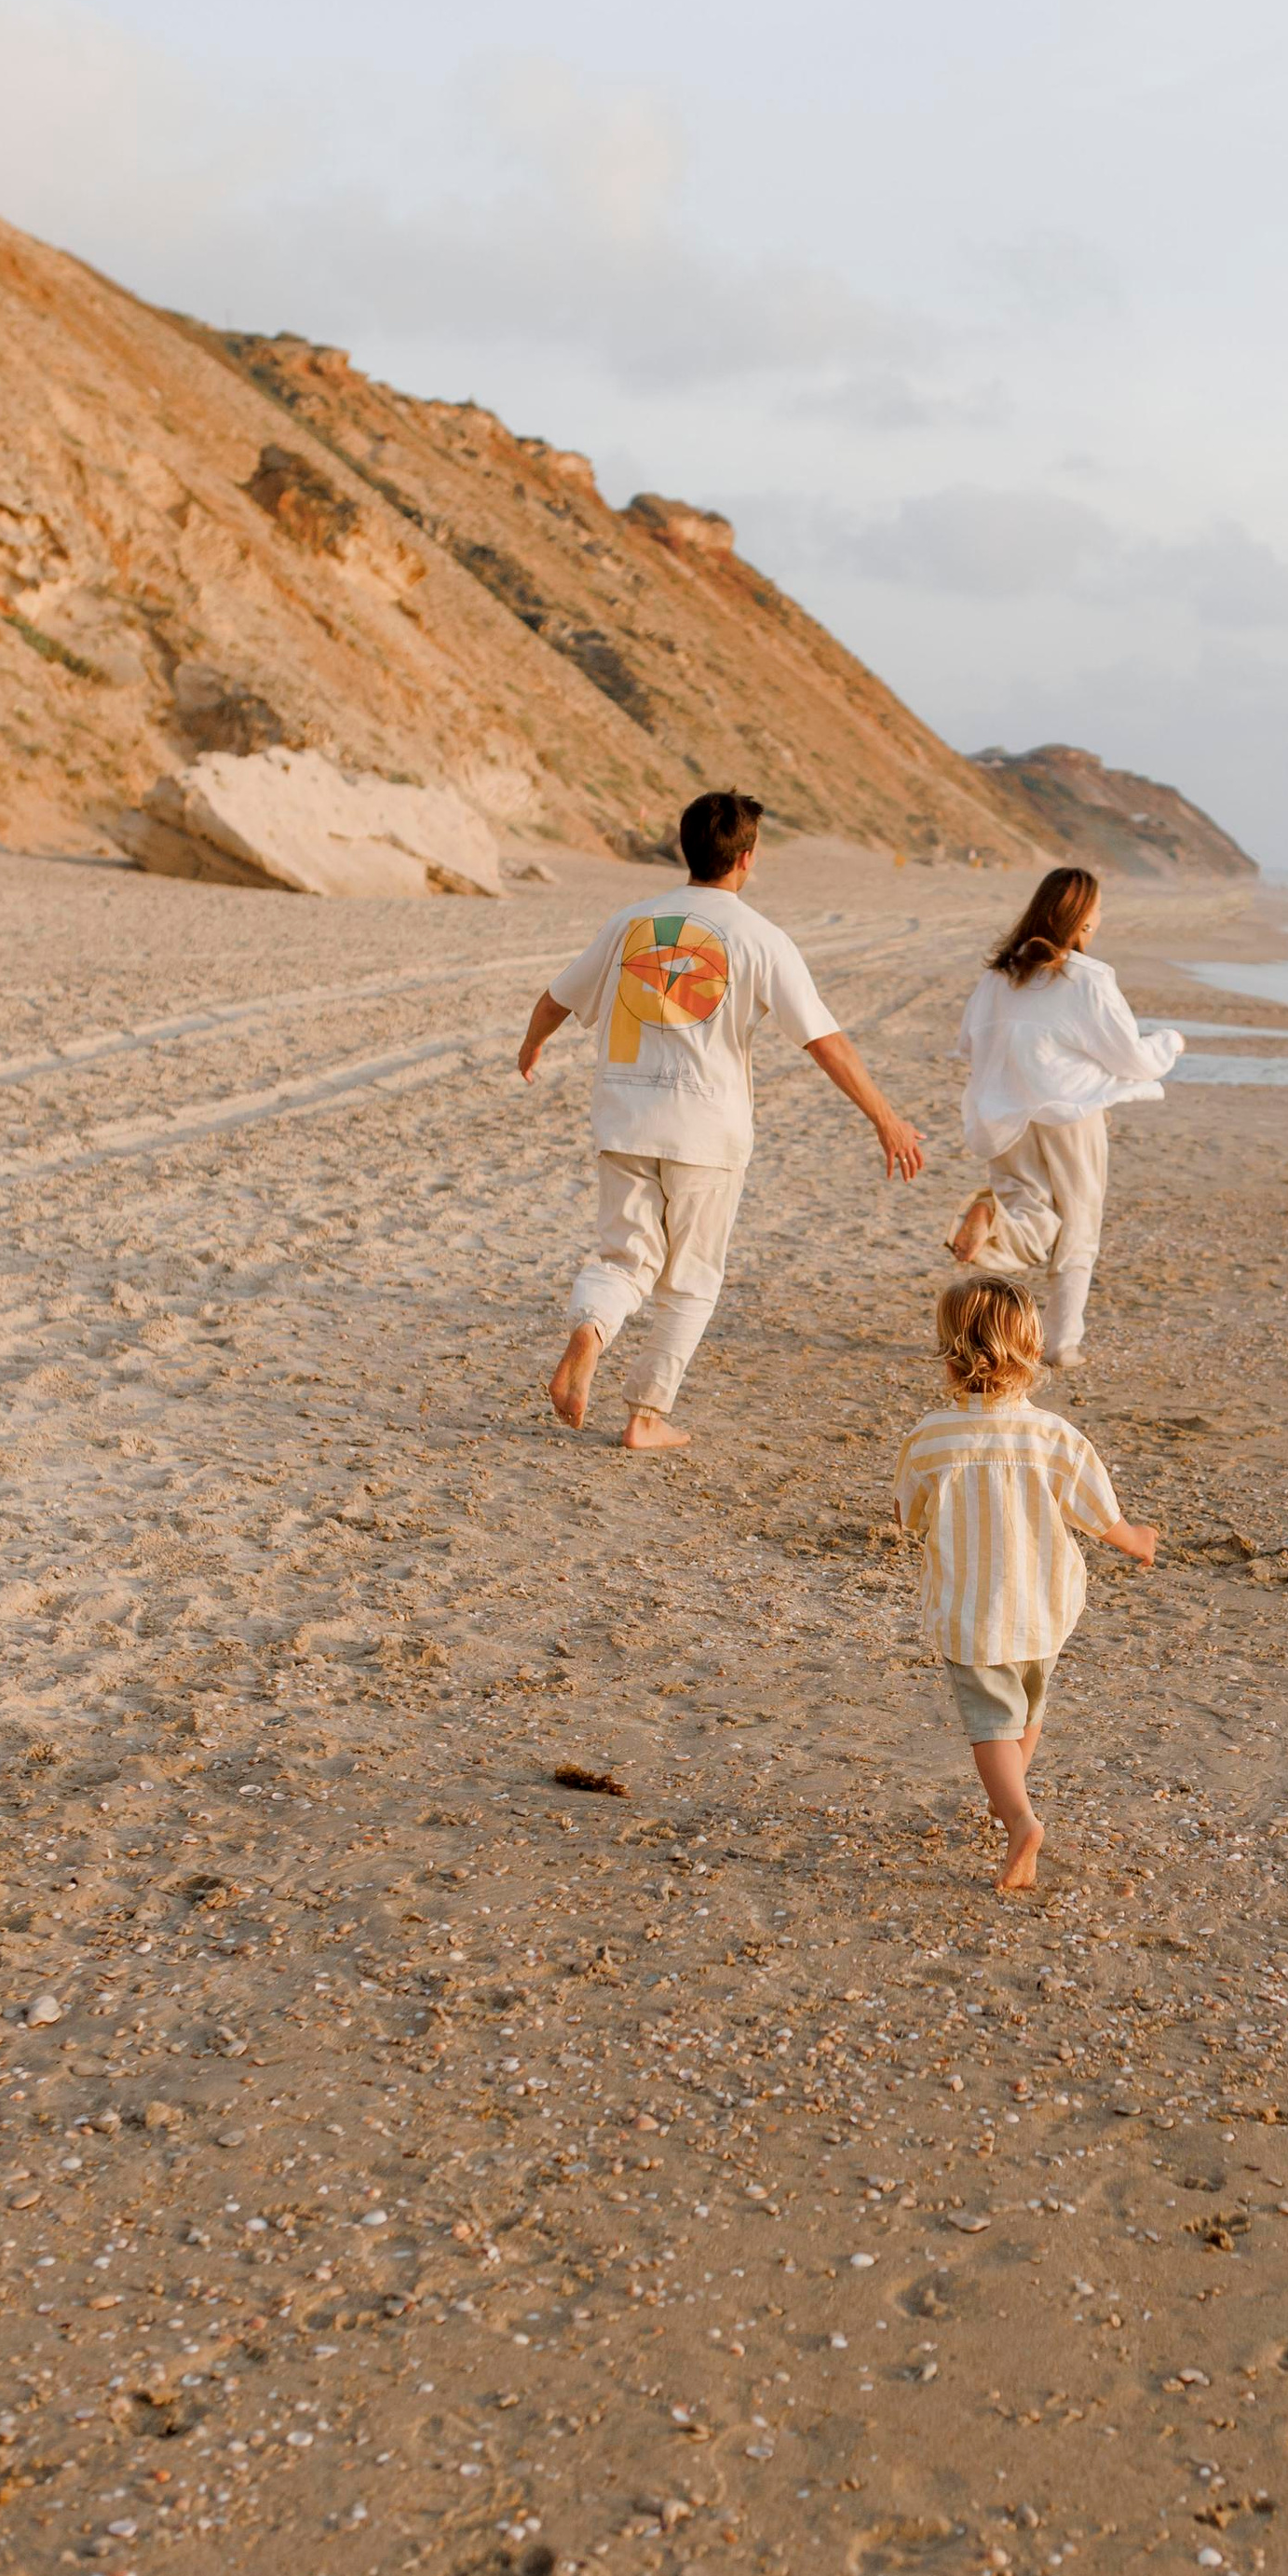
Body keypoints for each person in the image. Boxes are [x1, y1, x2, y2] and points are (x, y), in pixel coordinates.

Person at [518, 787, 924, 1453]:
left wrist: (531, 1046)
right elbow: (825, 1041)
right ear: (748, 856)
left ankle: (590, 1332)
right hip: (706, 1132)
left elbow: (556, 998)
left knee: (625, 1257)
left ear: (686, 847)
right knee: (691, 1279)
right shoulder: (759, 937)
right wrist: (887, 1119)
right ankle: (645, 1415)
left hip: (622, 1119)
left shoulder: (633, 921)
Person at [893, 1276, 1158, 1893]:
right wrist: (1137, 1540)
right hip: (1044, 1606)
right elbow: (1101, 1516)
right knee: (1029, 1708)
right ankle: (1012, 1794)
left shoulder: (932, 1437)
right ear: (1034, 1353)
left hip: (972, 1611)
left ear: (949, 1355)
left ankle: (1018, 1816)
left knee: (991, 1723)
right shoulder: (1055, 1437)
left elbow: (908, 1513)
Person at [947, 865, 1183, 1367]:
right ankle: (1060, 1344)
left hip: (1002, 1111)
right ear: (1082, 922)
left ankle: (991, 1221)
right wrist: (1171, 1042)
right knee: (1079, 1223)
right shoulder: (1087, 980)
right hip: (1069, 1115)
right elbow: (1131, 1059)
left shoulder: (998, 978)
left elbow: (968, 1042)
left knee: (1027, 1210)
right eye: (1097, 908)